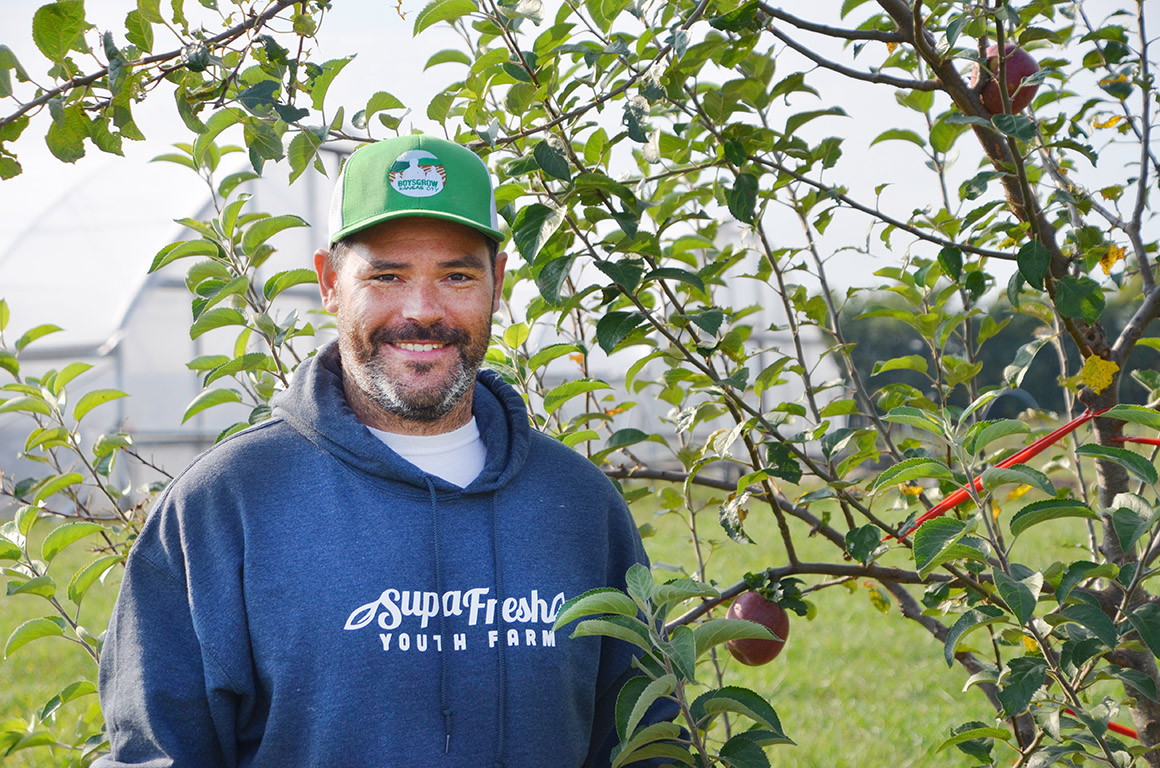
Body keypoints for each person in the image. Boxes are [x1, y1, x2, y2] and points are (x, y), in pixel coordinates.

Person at [95, 135, 661, 767]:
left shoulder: (579, 505)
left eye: (456, 275)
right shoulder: (225, 506)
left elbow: (646, 740)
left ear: (496, 285)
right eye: (387, 276)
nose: (422, 311)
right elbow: (157, 753)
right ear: (331, 283)